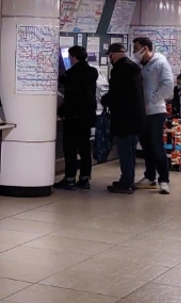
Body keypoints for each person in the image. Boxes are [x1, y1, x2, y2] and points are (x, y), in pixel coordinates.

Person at [100, 43, 145, 194]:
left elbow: (117, 94)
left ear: (114, 54)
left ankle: (126, 182)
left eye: (110, 55)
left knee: (125, 151)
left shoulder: (120, 70)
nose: (110, 59)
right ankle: (128, 179)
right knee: (130, 151)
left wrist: (105, 100)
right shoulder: (134, 67)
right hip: (136, 117)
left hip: (124, 119)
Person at [133, 37, 175, 194]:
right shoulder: (139, 65)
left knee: (157, 146)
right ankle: (150, 176)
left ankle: (164, 180)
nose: (135, 52)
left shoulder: (160, 63)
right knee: (146, 146)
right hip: (142, 112)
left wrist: (153, 98)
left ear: (145, 48)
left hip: (156, 112)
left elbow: (168, 85)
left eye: (137, 48)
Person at [55, 46, 98, 190]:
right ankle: (85, 178)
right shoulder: (91, 72)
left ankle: (69, 178)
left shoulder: (73, 74)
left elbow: (73, 96)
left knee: (70, 149)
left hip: (74, 117)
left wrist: (62, 111)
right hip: (87, 116)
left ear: (73, 57)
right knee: (85, 148)